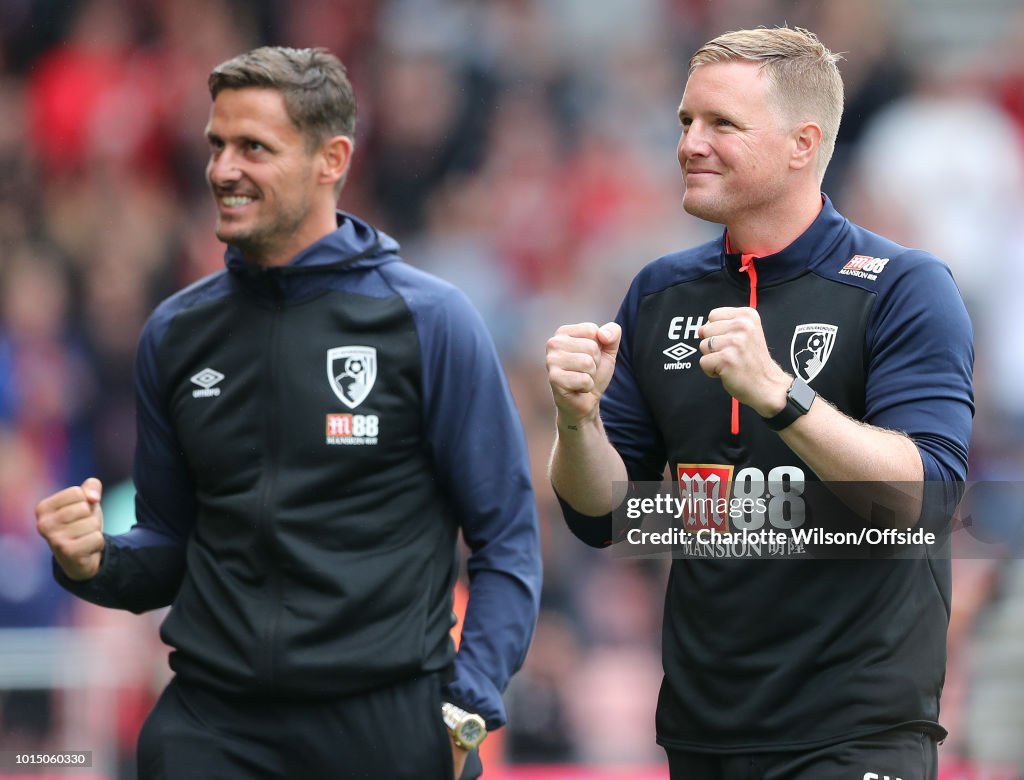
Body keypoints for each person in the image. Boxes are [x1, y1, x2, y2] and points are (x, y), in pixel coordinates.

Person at [35, 46, 542, 780]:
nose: (222, 170)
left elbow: (506, 540)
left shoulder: (429, 322)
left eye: (253, 148)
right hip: (215, 726)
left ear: (330, 159)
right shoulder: (176, 335)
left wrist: (469, 703)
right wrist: (92, 562)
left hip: (388, 725)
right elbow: (170, 545)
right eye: (216, 145)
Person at [546, 26, 974, 780]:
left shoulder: (904, 287)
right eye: (685, 122)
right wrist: (577, 421)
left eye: (722, 125)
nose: (690, 144)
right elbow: (605, 517)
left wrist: (780, 393)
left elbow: (927, 495)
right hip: (703, 733)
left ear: (803, 144)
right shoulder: (660, 291)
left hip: (855, 733)